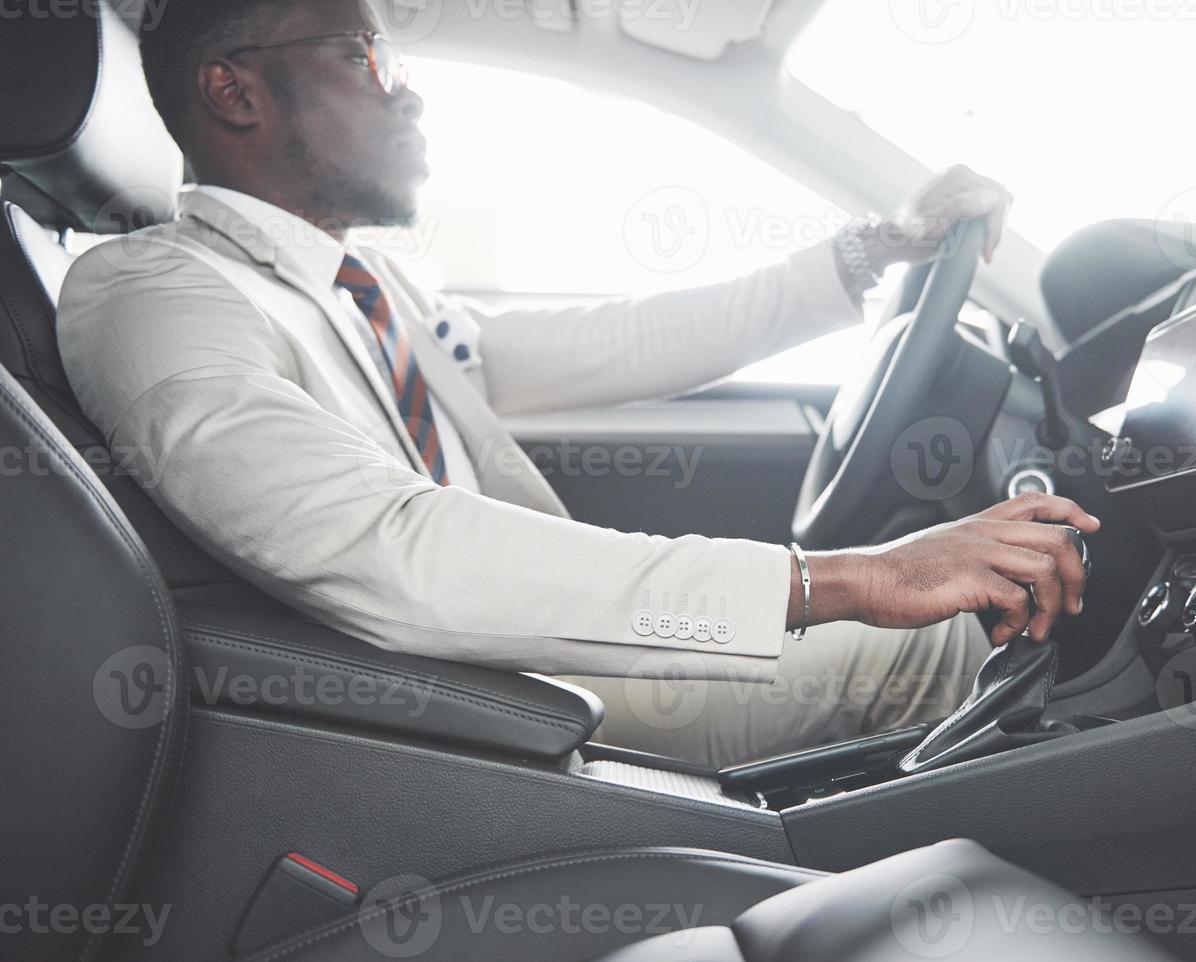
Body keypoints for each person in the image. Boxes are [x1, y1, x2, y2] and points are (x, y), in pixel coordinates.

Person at [56, 0, 1097, 768]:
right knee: (920, 649)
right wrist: (846, 578)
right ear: (231, 90)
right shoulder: (153, 292)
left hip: (515, 667)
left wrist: (875, 250)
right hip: (473, 704)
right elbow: (392, 552)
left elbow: (613, 342)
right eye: (360, 52)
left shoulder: (356, 284)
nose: (403, 86)